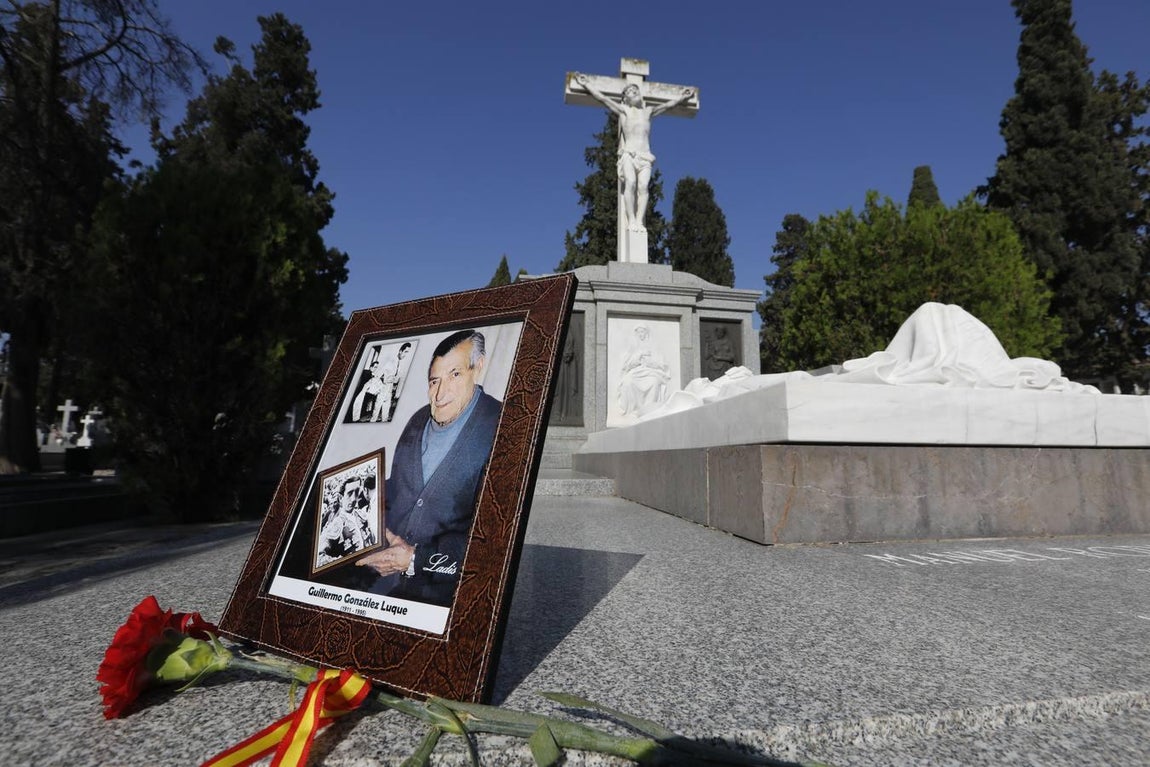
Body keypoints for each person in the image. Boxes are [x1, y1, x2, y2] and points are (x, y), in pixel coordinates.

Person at [356, 329, 502, 606]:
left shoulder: (502, 426)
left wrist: (415, 559)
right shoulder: (418, 419)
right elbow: (400, 490)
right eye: (435, 381)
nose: (440, 393)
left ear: (478, 367)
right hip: (386, 589)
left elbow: (494, 541)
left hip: (447, 600)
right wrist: (367, 510)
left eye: (455, 375)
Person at [574, 73, 695, 230]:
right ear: (625, 98)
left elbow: (667, 106)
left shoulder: (648, 111)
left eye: (636, 90)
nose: (634, 92)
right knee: (630, 183)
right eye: (630, 91)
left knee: (643, 187)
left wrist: (682, 97)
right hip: (629, 155)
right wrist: (586, 84)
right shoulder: (624, 111)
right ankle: (631, 219)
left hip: (645, 156)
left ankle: (639, 221)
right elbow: (603, 98)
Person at [316, 474, 375, 567]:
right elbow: (318, 556)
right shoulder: (337, 523)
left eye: (356, 493)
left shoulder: (362, 514)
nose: (353, 499)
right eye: (349, 493)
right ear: (340, 498)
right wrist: (344, 564)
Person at [618, 324, 671, 417]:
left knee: (654, 382)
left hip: (651, 372)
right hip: (636, 372)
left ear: (646, 333)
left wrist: (651, 363)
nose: (640, 334)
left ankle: (648, 410)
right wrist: (638, 356)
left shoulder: (654, 347)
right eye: (638, 332)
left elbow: (663, 365)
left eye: (642, 332)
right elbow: (626, 365)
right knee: (628, 382)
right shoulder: (633, 347)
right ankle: (633, 410)